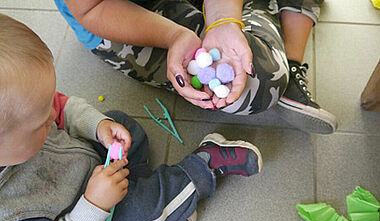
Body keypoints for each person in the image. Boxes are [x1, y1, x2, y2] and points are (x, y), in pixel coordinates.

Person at [0, 14, 263, 221]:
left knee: (121, 124)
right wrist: (94, 205)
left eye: (47, 106)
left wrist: (98, 126)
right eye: (40, 123)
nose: (51, 116)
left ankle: (153, 208)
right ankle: (203, 167)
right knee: (143, 207)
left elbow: (62, 108)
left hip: (91, 165)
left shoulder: (20, 116)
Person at [56, 0, 337, 134]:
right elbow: (94, 7)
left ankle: (290, 59)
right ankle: (272, 16)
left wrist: (224, 21)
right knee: (258, 82)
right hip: (131, 16)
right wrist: (175, 36)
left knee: (247, 65)